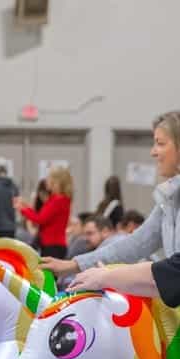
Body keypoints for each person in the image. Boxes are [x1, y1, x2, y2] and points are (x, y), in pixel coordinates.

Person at [42, 111, 180, 279]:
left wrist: (107, 277)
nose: (153, 152)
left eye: (160, 143)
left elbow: (173, 269)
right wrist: (74, 264)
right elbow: (137, 243)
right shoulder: (169, 197)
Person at [13, 166, 72, 259]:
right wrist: (25, 206)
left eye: (49, 178)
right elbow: (42, 216)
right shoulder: (56, 198)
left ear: (56, 181)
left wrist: (22, 209)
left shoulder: (59, 200)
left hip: (54, 246)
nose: (46, 180)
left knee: (48, 273)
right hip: (50, 244)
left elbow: (40, 219)